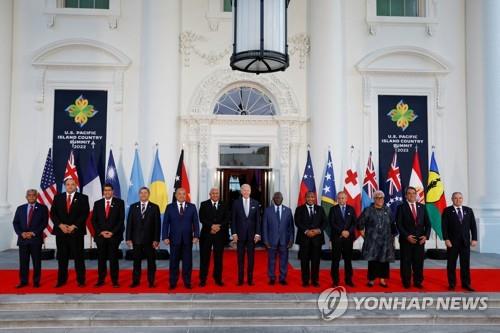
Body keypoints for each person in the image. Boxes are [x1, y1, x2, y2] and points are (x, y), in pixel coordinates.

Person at [51, 178, 89, 287]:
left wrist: (74, 226)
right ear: (65, 186)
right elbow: (53, 213)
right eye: (68, 184)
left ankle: (81, 280)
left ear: (76, 185)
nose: (70, 186)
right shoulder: (58, 197)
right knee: (62, 258)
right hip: (61, 232)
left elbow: (84, 213)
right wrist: (60, 225)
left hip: (76, 233)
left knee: (79, 258)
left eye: (72, 184)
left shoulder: (83, 198)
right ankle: (61, 280)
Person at [358, 190, 397, 288]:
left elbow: (392, 224)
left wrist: (392, 238)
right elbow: (360, 224)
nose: (380, 199)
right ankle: (371, 280)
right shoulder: (368, 210)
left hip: (385, 241)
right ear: (374, 199)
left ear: (384, 199)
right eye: (377, 197)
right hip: (372, 242)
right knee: (373, 261)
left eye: (381, 198)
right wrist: (364, 236)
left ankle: (382, 280)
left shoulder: (387, 210)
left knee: (384, 261)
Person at [163, 187, 200, 290]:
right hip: (174, 239)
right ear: (176, 195)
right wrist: (165, 236)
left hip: (188, 239)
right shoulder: (169, 207)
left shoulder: (192, 207)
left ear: (186, 195)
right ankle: (173, 282)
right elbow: (166, 223)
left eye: (184, 194)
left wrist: (196, 235)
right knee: (173, 261)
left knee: (187, 262)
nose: (182, 195)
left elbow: (196, 223)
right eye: (179, 194)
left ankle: (187, 282)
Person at [396, 186, 431, 289]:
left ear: (416, 195)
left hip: (420, 240)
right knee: (406, 262)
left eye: (413, 193)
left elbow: (428, 224)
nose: (412, 195)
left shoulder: (422, 207)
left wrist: (426, 236)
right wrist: (407, 236)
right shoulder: (401, 207)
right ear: (406, 195)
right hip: (406, 240)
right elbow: (399, 224)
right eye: (409, 193)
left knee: (418, 262)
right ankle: (406, 282)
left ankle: (418, 281)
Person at [12, 189, 48, 288]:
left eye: (33, 195)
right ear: (26, 197)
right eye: (29, 195)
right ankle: (23, 281)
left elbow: (44, 223)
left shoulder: (43, 208)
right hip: (23, 239)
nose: (31, 197)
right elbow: (15, 223)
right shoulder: (20, 208)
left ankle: (36, 281)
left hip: (35, 239)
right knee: (23, 262)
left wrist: (33, 233)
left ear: (36, 197)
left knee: (36, 262)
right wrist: (21, 233)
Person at [442, 192, 477, 291]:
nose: (458, 200)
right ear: (452, 199)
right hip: (452, 243)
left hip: (465, 242)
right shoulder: (447, 211)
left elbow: (473, 226)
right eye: (456, 198)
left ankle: (466, 284)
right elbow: (444, 227)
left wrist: (474, 238)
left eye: (460, 198)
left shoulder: (468, 210)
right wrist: (446, 239)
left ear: (462, 199)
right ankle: (452, 284)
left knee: (465, 264)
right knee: (451, 264)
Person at [126, 187, 161, 288]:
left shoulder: (154, 207)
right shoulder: (133, 207)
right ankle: (135, 281)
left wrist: (156, 239)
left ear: (149, 194)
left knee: (151, 263)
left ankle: (151, 281)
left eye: (145, 193)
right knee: (136, 263)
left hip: (150, 241)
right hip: (136, 240)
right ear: (139, 194)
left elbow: (157, 225)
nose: (143, 195)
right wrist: (128, 238)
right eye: (141, 193)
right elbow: (129, 224)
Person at [91, 183, 125, 288]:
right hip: (101, 236)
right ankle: (101, 279)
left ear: (113, 191)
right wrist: (101, 232)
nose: (107, 192)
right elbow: (94, 220)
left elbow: (121, 220)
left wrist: (112, 232)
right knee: (101, 259)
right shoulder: (98, 203)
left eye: (109, 190)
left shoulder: (119, 203)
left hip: (114, 236)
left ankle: (115, 280)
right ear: (103, 192)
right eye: (105, 190)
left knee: (113, 259)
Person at [198, 187, 230, 287]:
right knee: (204, 258)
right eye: (213, 193)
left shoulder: (224, 204)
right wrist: (211, 226)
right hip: (207, 234)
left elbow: (227, 218)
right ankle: (203, 279)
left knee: (218, 259)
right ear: (210, 194)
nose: (215, 195)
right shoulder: (204, 204)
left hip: (219, 236)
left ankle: (218, 279)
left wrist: (218, 226)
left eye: (217, 193)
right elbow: (202, 218)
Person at [294, 191, 327, 287]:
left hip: (317, 239)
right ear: (305, 198)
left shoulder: (320, 209)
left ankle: (315, 280)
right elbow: (297, 222)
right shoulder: (299, 209)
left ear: (315, 198)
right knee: (304, 261)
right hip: (304, 239)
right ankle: (305, 280)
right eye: (308, 197)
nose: (310, 199)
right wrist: (306, 231)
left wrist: (318, 230)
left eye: (312, 197)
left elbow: (324, 222)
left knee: (316, 261)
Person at [262, 192, 294, 285]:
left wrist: (291, 240)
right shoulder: (268, 211)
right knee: (271, 260)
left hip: (284, 240)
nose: (278, 199)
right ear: (273, 199)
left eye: (279, 197)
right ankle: (272, 278)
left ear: (282, 198)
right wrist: (266, 240)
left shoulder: (288, 211)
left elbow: (291, 227)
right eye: (276, 197)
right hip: (271, 241)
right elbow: (264, 226)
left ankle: (282, 278)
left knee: (284, 260)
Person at [231, 184, 261, 286]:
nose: (246, 192)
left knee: (251, 259)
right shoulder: (236, 203)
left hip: (252, 236)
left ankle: (250, 279)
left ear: (250, 191)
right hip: (239, 236)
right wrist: (234, 233)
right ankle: (240, 280)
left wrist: (257, 234)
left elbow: (258, 220)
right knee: (240, 259)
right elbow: (233, 220)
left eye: (248, 190)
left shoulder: (256, 203)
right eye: (244, 190)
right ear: (241, 191)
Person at [328, 191, 356, 287]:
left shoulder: (351, 209)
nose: (341, 200)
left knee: (348, 260)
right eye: (339, 198)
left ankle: (348, 280)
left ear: (346, 198)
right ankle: (335, 280)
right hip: (337, 238)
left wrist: (348, 232)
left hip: (348, 238)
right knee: (335, 260)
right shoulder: (333, 209)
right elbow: (332, 223)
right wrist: (342, 232)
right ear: (337, 199)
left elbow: (354, 223)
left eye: (343, 198)